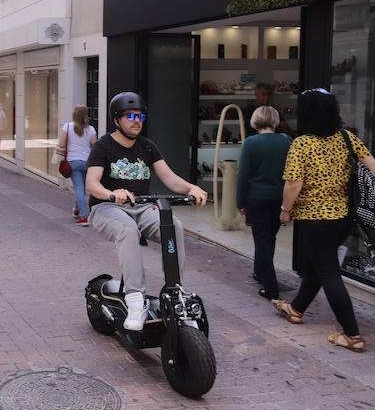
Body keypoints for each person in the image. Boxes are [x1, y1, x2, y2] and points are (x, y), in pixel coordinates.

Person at [86, 92, 207, 331]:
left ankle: (175, 292)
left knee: (173, 226)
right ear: (116, 120)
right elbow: (92, 183)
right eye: (130, 116)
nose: (136, 120)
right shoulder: (103, 146)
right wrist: (112, 194)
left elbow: (169, 179)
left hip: (141, 206)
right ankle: (135, 301)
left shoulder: (147, 146)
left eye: (140, 115)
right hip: (107, 208)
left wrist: (192, 187)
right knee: (128, 231)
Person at [273, 88, 375, 353]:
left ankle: (352, 335)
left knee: (329, 272)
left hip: (313, 218)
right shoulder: (346, 138)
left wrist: (286, 210)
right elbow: (373, 166)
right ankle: (296, 309)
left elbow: (294, 183)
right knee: (316, 266)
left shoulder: (302, 144)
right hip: (343, 217)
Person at [236, 105, 290, 300]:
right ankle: (261, 272)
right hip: (279, 197)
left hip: (257, 198)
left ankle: (271, 287)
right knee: (269, 238)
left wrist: (240, 201)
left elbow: (244, 176)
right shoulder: (286, 141)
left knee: (262, 240)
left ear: (255, 120)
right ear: (274, 120)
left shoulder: (251, 142)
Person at [56, 105, 97, 226]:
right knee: (81, 189)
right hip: (87, 162)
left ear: (74, 115)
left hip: (73, 162)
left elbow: (62, 144)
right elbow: (95, 146)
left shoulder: (67, 127)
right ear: (86, 115)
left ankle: (84, 217)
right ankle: (77, 209)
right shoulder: (91, 129)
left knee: (79, 189)